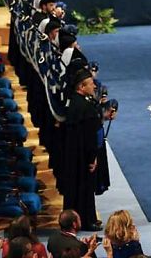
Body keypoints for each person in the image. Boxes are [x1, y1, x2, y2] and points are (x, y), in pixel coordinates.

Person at [62, 69, 115, 231]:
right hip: (83, 156)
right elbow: (90, 136)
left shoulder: (78, 101)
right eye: (91, 83)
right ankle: (85, 220)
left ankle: (82, 218)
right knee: (84, 188)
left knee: (79, 188)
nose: (94, 86)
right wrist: (93, 158)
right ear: (81, 86)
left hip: (75, 154)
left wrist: (104, 115)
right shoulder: (84, 106)